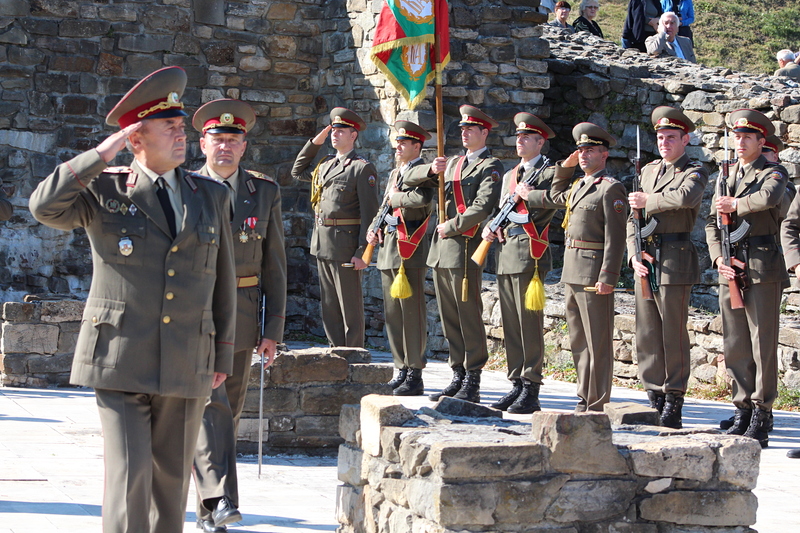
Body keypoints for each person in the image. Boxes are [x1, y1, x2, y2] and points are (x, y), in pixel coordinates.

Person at [29, 66, 237, 533]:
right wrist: (102, 154)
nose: (182, 136)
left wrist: (222, 350)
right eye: (170, 128)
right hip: (120, 355)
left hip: (187, 354)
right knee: (130, 476)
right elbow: (43, 207)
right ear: (136, 137)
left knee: (169, 485)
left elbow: (223, 279)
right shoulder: (104, 188)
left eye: (183, 127)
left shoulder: (210, 196)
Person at [191, 100, 287, 532]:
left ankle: (210, 512)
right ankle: (222, 498)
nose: (225, 146)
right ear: (202, 143)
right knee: (206, 403)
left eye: (233, 140)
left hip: (243, 318)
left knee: (226, 413)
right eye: (217, 138)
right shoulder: (183, 187)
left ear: (244, 146)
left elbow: (275, 265)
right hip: (193, 313)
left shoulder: (263, 191)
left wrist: (273, 331)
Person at [706, 109, 789, 449]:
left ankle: (761, 411)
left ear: (760, 141)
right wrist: (717, 258)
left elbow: (768, 199)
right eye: (736, 137)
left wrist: (735, 204)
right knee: (736, 342)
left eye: (747, 138)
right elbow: (712, 223)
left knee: (762, 343)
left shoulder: (774, 172)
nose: (740, 143)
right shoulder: (724, 176)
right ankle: (741, 407)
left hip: (762, 265)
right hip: (731, 266)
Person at [626, 107, 708, 429]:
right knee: (646, 332)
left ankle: (674, 396)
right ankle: (653, 394)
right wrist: (633, 254)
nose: (664, 143)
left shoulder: (694, 170)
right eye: (660, 138)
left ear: (685, 139)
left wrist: (650, 201)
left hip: (674, 259)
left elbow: (686, 197)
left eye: (671, 137)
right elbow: (633, 219)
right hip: (646, 258)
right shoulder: (647, 171)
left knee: (672, 332)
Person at [482, 113, 567, 414]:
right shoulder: (509, 174)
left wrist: (531, 196)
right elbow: (501, 210)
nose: (519, 142)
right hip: (506, 253)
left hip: (530, 252)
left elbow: (561, 200)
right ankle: (516, 381)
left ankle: (531, 386)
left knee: (528, 323)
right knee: (511, 323)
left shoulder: (550, 172)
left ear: (540, 142)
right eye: (518, 137)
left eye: (526, 137)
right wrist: (493, 227)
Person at [424, 105, 503, 404]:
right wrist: (433, 170)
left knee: (468, 315)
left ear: (484, 132)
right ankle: (457, 372)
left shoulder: (491, 166)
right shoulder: (453, 163)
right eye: (462, 129)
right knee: (449, 317)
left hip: (465, 248)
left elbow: (482, 207)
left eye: (471, 129)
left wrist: (452, 226)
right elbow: (425, 185)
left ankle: (473, 377)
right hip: (442, 251)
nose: (465, 133)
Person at [550, 122, 626, 412]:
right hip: (572, 270)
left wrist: (609, 276)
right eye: (581, 150)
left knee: (597, 340)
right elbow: (557, 195)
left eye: (590, 150)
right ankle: (584, 394)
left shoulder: (610, 188)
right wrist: (564, 167)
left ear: (604, 155)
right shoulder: (578, 185)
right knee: (578, 340)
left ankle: (596, 400)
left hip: (594, 273)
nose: (583, 154)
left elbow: (616, 237)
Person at [291, 108, 380, 348]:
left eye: (341, 131)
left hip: (346, 244)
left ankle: (353, 354)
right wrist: (315, 141)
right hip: (323, 243)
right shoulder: (325, 165)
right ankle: (336, 351)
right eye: (333, 130)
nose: (335, 135)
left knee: (349, 305)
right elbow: (297, 170)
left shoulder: (362, 168)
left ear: (353, 136)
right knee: (329, 305)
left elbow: (370, 213)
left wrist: (363, 251)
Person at [366, 120, 434, 396]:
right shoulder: (396, 173)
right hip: (389, 249)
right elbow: (385, 206)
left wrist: (396, 199)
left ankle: (415, 373)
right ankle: (401, 367)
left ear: (417, 146)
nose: (398, 146)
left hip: (410, 249)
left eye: (404, 142)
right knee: (393, 315)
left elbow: (423, 200)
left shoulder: (422, 172)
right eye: (398, 142)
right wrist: (374, 228)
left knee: (412, 314)